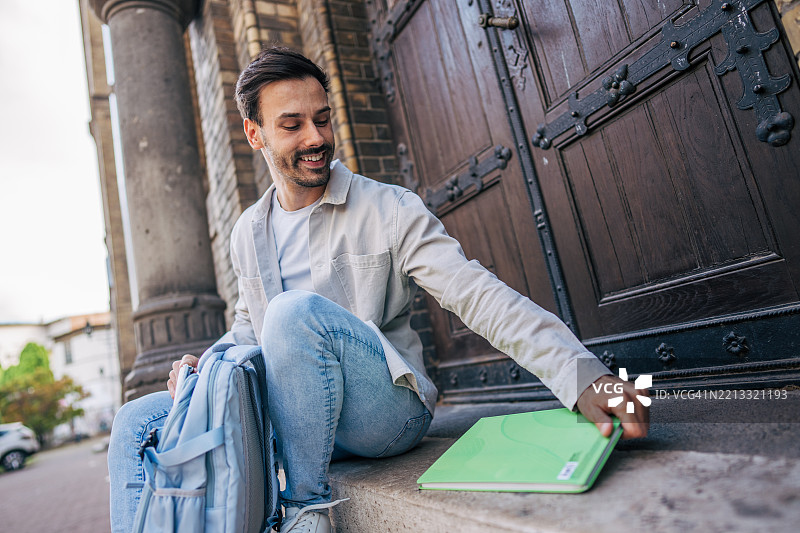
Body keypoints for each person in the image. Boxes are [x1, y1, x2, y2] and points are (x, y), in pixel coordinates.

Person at [108, 47, 649, 533]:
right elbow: (250, 331)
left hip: (386, 414)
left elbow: (476, 293)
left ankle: (306, 512)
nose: (316, 138)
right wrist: (205, 366)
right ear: (256, 135)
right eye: (292, 125)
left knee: (292, 314)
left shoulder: (388, 208)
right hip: (294, 417)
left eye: (322, 119)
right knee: (137, 422)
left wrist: (581, 375)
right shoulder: (247, 232)